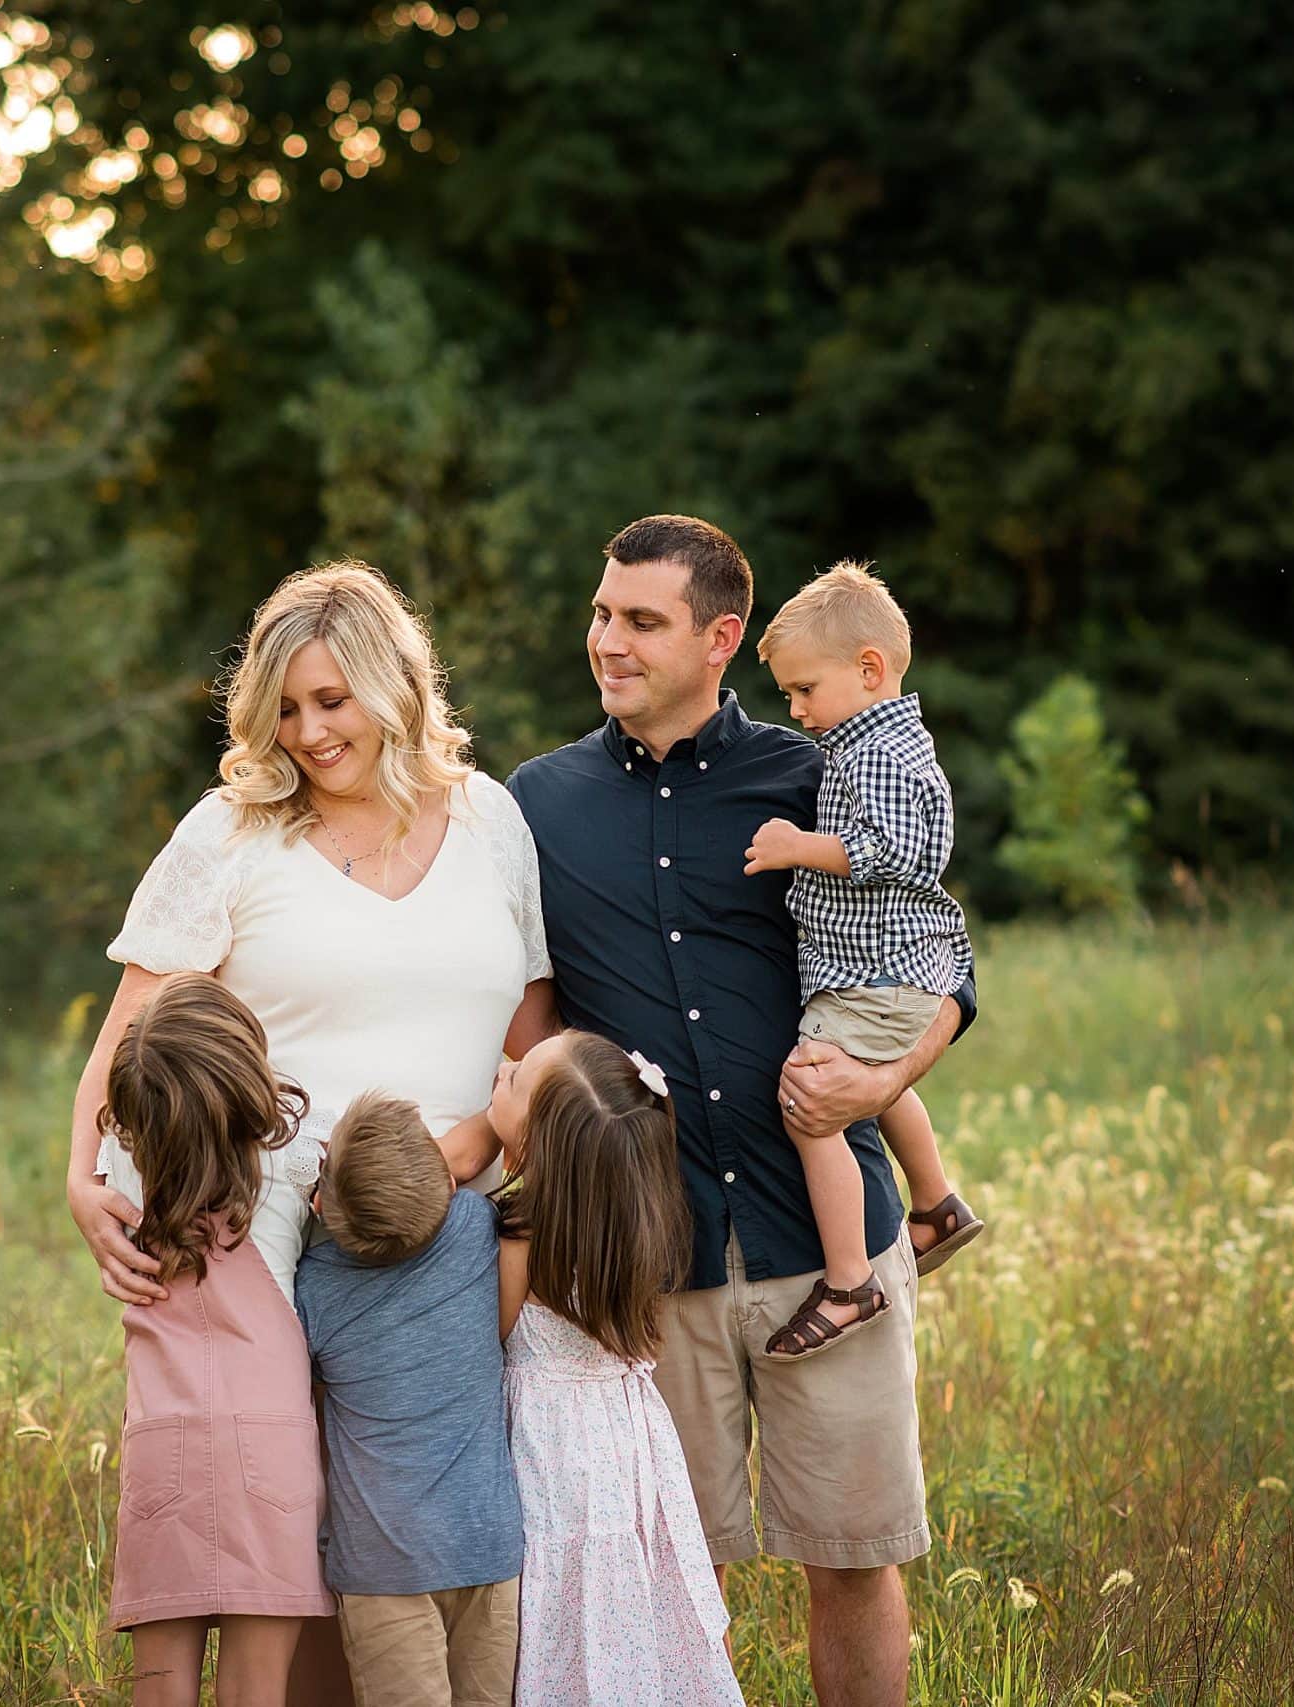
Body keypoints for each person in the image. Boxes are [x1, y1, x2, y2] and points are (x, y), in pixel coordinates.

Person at [507, 514, 980, 1706]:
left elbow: (940, 954)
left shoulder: (813, 773)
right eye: (602, 614)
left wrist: (880, 1084)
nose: (605, 640)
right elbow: (525, 1015)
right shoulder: (535, 804)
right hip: (647, 1260)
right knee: (671, 1573)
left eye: (640, 621)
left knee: (854, 1558)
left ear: (721, 639)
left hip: (826, 1245)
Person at [69, 560, 556, 1698]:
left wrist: (465, 1156)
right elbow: (131, 1031)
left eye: (331, 700)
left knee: (413, 1542)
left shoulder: (491, 821)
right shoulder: (231, 831)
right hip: (263, 1243)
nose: (307, 732)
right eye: (284, 707)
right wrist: (80, 1180)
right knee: (279, 1547)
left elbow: (532, 1036)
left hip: (451, 1249)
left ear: (394, 685)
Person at [742, 560, 985, 1359]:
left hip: (876, 976)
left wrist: (794, 847)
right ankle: (938, 1202)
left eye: (805, 688)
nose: (797, 709)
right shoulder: (887, 740)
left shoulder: (874, 754)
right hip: (890, 973)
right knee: (871, 1092)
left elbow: (895, 851)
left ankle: (849, 1282)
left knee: (811, 1105)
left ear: (868, 670)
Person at [486, 1029, 742, 1707]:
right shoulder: (637, 1218)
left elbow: (494, 1338)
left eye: (513, 1081)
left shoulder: (521, 1234)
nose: (500, 1071)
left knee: (562, 1589)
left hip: (553, 1447)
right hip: (627, 1447)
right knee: (624, 1587)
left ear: (541, 1145)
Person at [97, 974, 333, 1705]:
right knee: (256, 1694)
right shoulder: (296, 1163)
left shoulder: (121, 1169)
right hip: (272, 1451)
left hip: (160, 1443)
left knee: (160, 1694)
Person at [297, 1093, 522, 1707]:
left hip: (381, 1564)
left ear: (321, 1206)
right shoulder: (475, 1230)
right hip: (488, 1546)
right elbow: (495, 1134)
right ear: (448, 1182)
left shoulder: (313, 1290)